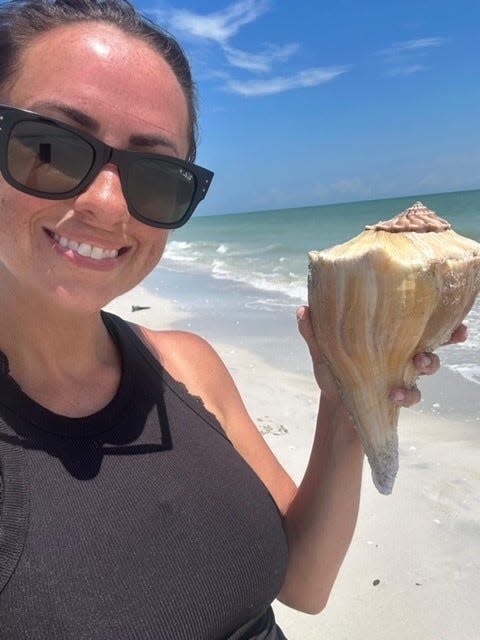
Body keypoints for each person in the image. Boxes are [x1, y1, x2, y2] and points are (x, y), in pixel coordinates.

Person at [0, 1, 466, 639]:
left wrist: (350, 400)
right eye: (49, 147)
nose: (106, 205)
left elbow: (303, 582)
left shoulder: (187, 365)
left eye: (157, 175)